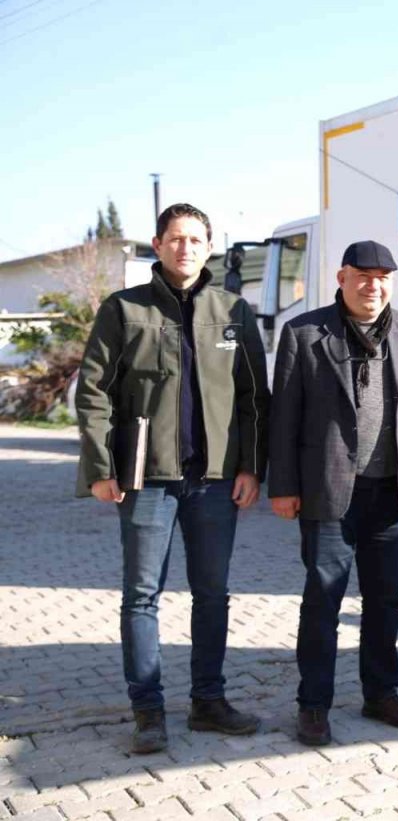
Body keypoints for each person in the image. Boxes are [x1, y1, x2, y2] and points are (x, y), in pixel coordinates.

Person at [76, 203, 269, 754]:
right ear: (158, 246)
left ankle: (209, 702)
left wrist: (252, 467)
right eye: (175, 238)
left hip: (214, 481)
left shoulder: (233, 310)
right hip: (145, 479)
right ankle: (148, 712)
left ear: (209, 247)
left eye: (196, 239)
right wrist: (100, 468)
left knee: (213, 594)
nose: (186, 248)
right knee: (141, 597)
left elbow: (256, 396)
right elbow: (93, 394)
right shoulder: (124, 309)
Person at [268, 240, 398, 746]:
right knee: (323, 601)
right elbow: (284, 420)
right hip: (328, 491)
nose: (373, 284)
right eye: (362, 275)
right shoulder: (304, 333)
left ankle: (381, 693)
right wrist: (283, 487)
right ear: (341, 278)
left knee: (386, 602)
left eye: (383, 275)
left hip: (391, 493)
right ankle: (313, 704)